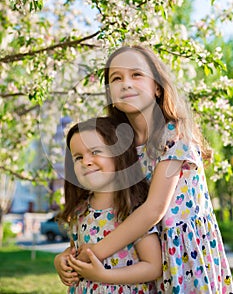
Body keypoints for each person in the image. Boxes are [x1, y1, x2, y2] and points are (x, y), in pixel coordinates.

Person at [56, 46, 233, 293]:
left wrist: (91, 253)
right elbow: (109, 205)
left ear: (157, 87)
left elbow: (153, 209)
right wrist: (71, 253)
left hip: (184, 255)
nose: (126, 83)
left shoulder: (174, 134)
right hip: (145, 252)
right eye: (116, 78)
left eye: (136, 74)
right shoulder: (118, 144)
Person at [55, 116, 162, 293]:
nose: (86, 162)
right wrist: (61, 259)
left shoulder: (133, 210)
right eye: (78, 157)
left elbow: (153, 266)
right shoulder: (80, 210)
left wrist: (103, 276)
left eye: (95, 152)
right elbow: (77, 250)